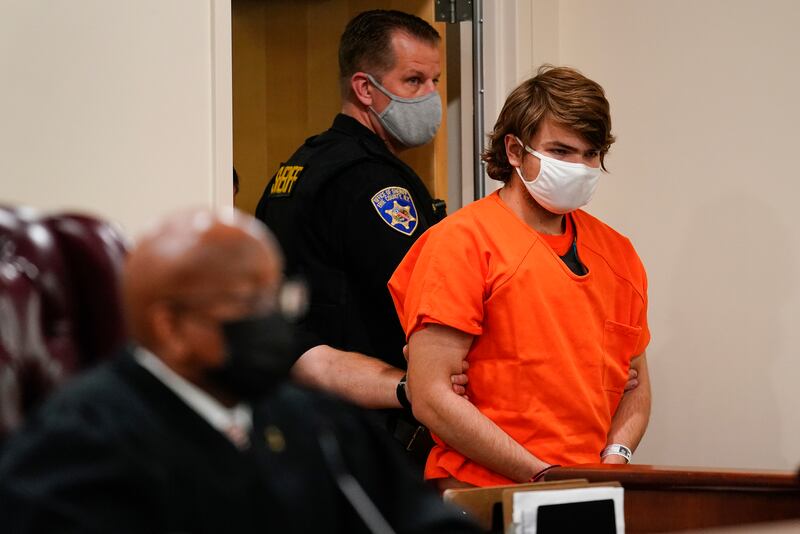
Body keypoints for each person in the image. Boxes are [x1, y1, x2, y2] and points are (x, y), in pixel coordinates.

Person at [0, 208, 480, 533]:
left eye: (278, 300)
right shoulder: (78, 443)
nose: (272, 322)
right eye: (250, 305)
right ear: (170, 325)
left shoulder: (316, 423)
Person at [389, 66, 652, 489]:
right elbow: (431, 397)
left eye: (591, 154)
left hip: (585, 489)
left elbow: (635, 385)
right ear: (514, 150)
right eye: (562, 151)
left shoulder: (618, 255)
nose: (581, 167)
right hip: (480, 491)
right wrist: (542, 475)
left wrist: (613, 459)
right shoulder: (461, 242)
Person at [254, 9, 460, 458]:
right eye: (414, 81)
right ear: (365, 88)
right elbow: (426, 302)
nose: (430, 97)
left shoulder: (298, 166)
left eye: (435, 81)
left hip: (299, 413)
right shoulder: (372, 181)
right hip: (366, 424)